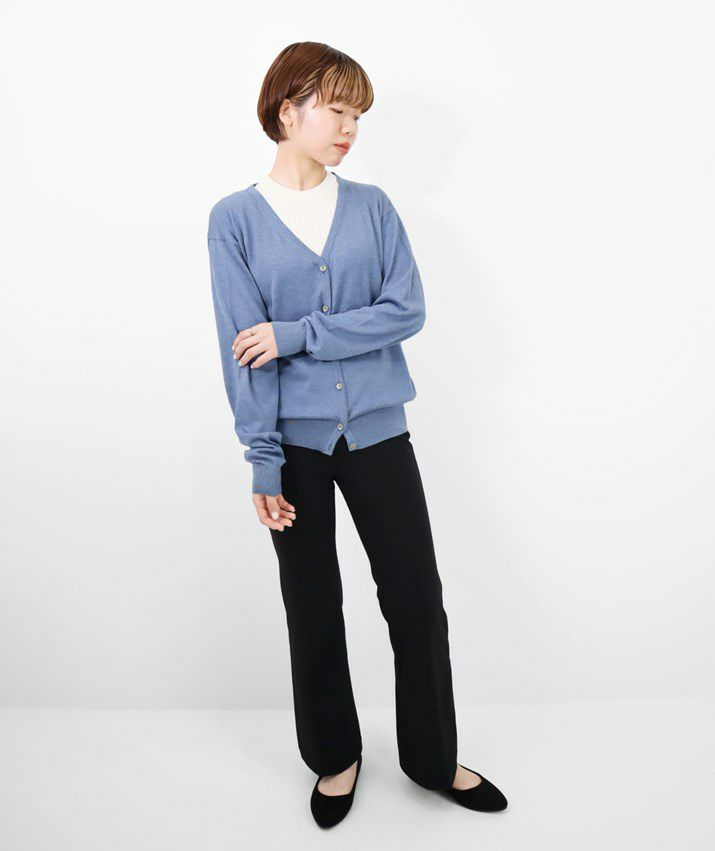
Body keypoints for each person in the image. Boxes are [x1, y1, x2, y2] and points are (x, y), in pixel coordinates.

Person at [207, 41, 508, 828]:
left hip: (378, 433)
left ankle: (432, 758)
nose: (349, 127)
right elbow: (242, 346)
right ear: (288, 111)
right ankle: (334, 756)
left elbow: (404, 311)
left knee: (416, 598)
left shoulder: (373, 207)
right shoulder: (234, 219)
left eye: (357, 115)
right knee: (311, 604)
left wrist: (298, 333)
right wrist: (262, 459)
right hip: (294, 447)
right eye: (336, 109)